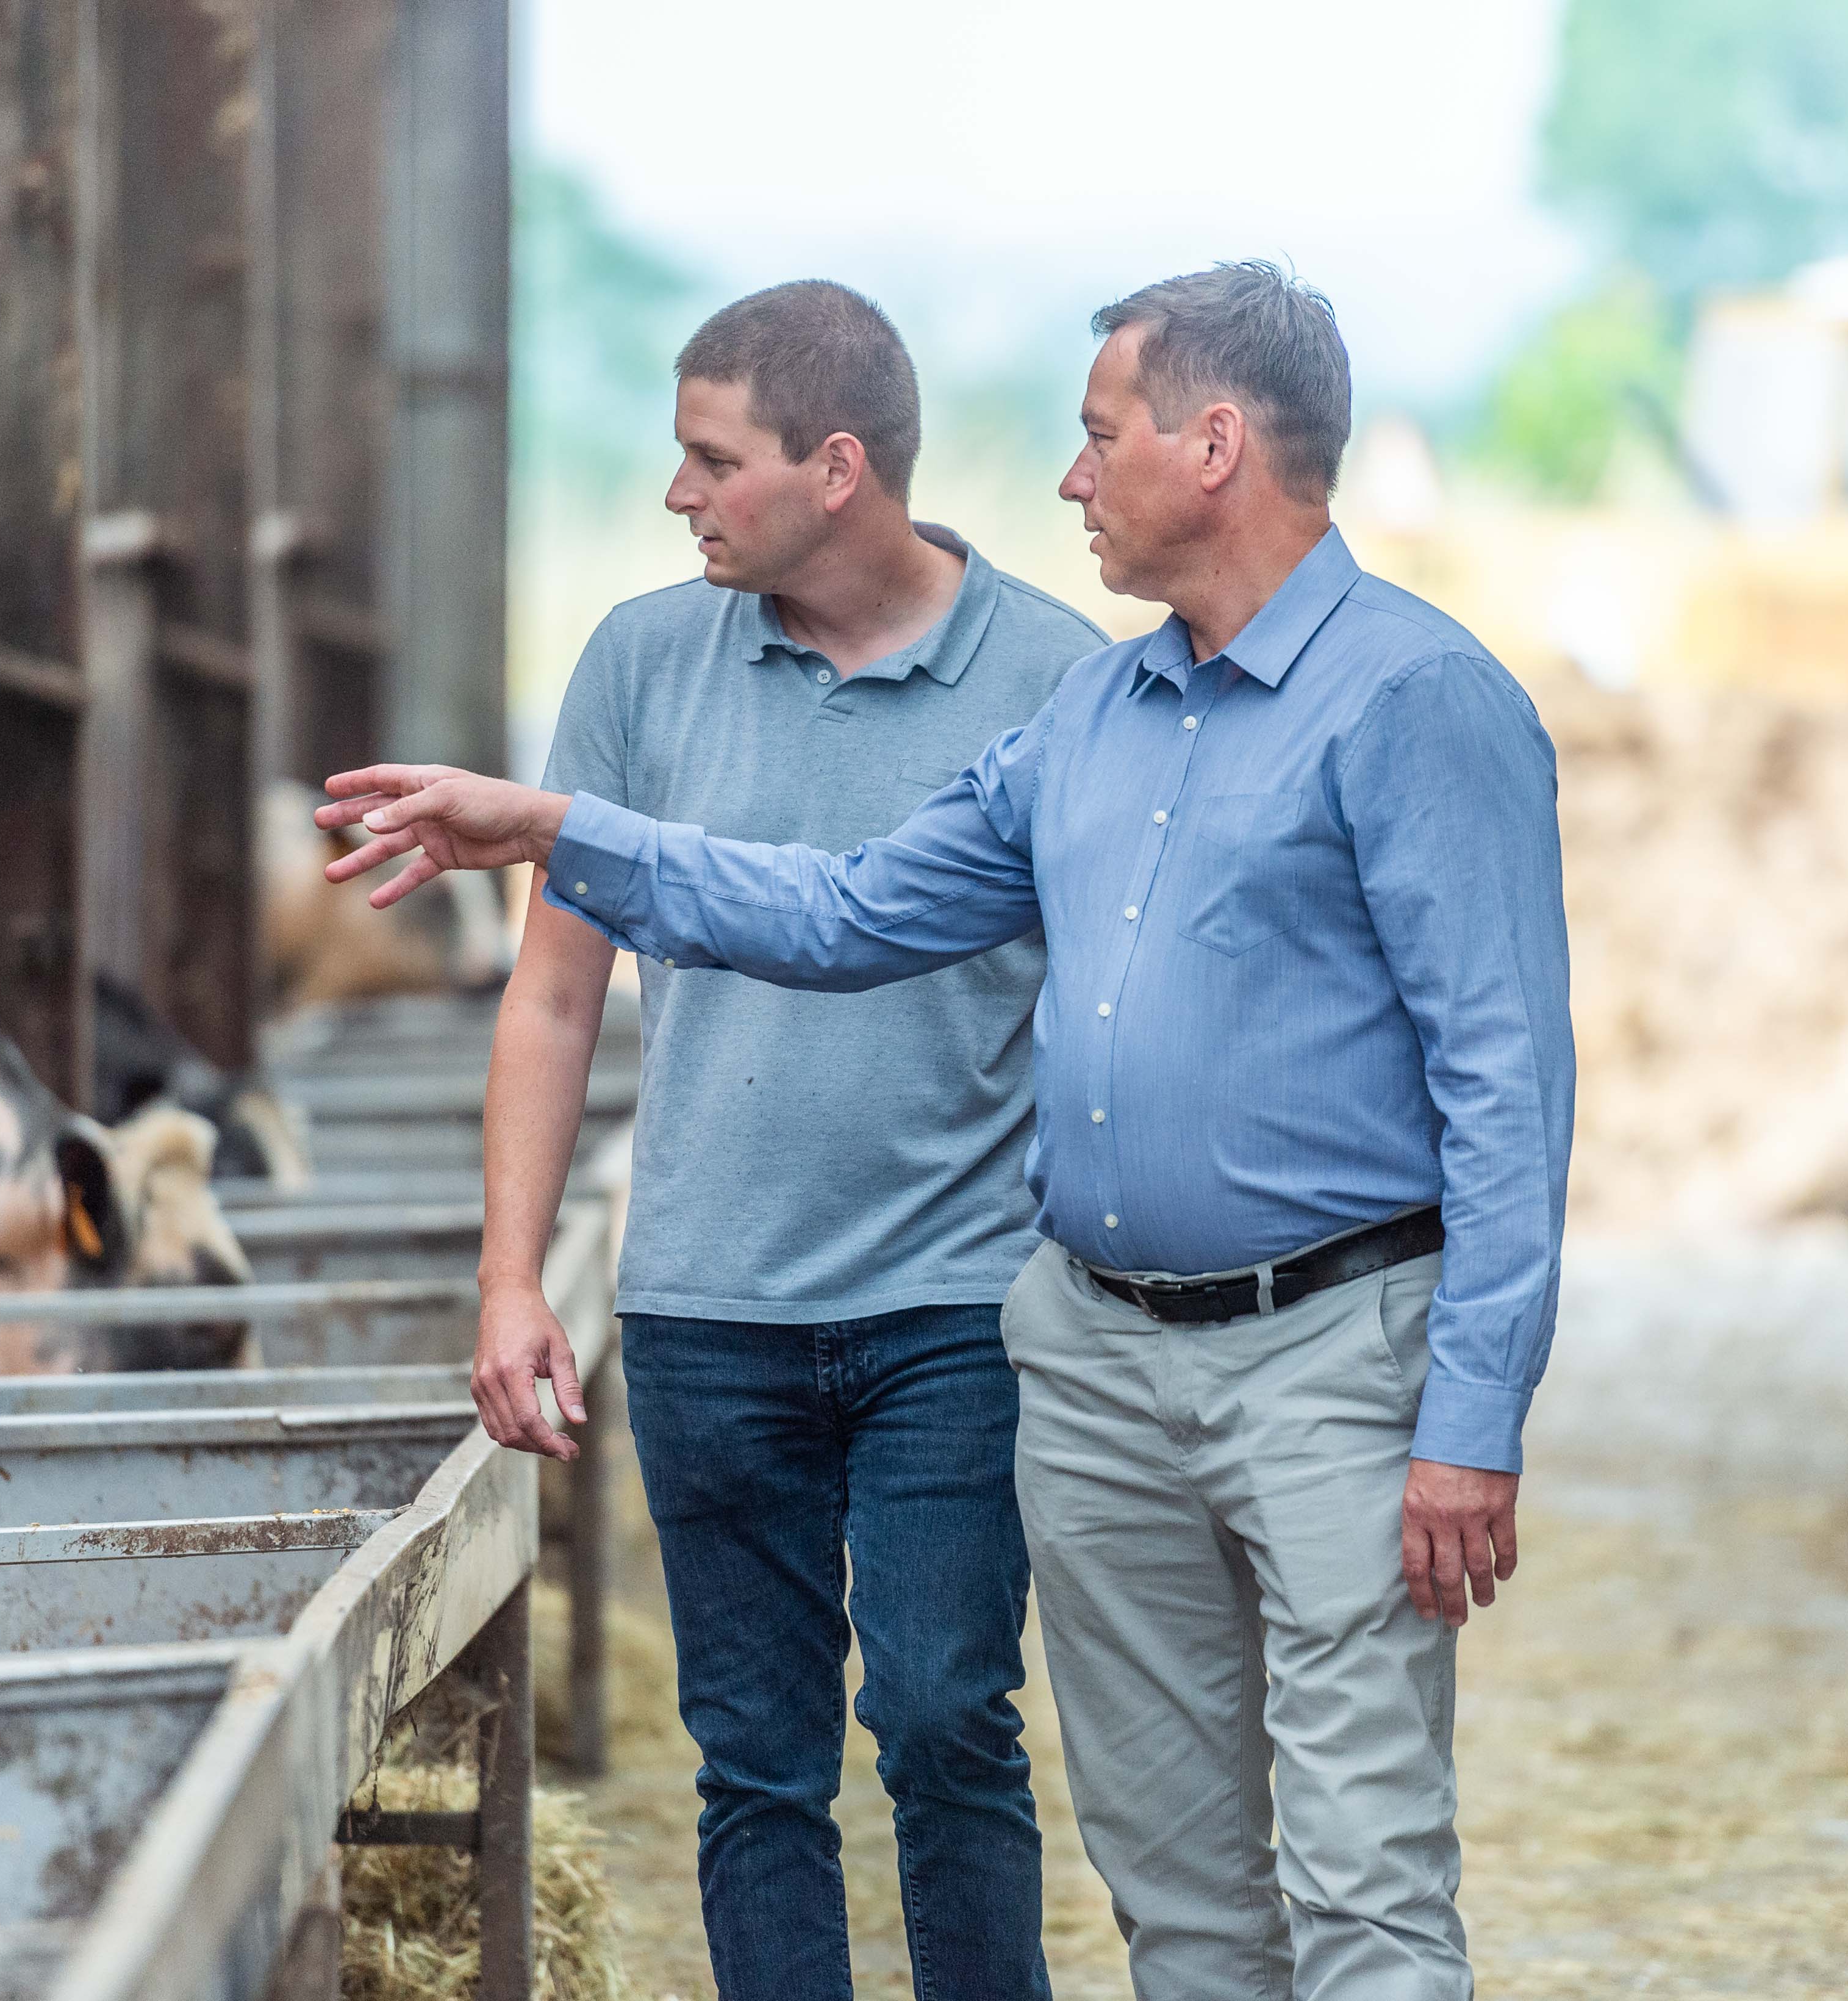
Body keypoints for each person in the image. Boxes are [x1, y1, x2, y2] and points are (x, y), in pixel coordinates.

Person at [320, 260, 1571, 2000]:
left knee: (1358, 1878)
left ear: (1213, 448)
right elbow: (842, 912)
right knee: (1181, 1889)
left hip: (1328, 1359)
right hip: (1101, 1365)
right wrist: (555, 828)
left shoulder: (1418, 702)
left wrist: (1473, 1415)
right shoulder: (1098, 716)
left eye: (1099, 434)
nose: (1069, 478)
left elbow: (1508, 1087)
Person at [473, 279, 1101, 1999]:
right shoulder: (639, 661)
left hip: (958, 1305)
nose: (677, 492)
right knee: (755, 1767)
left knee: (944, 1717)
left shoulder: (1062, 679)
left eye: (708, 457)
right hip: (705, 1301)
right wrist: (513, 1280)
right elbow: (551, 998)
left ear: (836, 469)